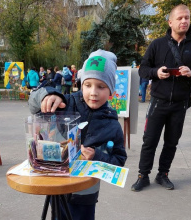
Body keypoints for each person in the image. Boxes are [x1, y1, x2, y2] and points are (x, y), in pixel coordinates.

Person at [29, 49, 127, 220]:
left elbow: (119, 161)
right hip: (57, 186)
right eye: (88, 85)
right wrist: (49, 95)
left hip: (86, 193)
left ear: (111, 90)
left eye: (101, 86)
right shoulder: (66, 103)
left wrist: (97, 155)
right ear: (81, 84)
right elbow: (33, 102)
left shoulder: (113, 125)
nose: (93, 92)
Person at [131, 4, 191, 192]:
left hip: (180, 104)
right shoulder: (157, 44)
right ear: (170, 22)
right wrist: (156, 72)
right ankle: (143, 175)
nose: (184, 21)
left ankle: (163, 174)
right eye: (180, 18)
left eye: (187, 18)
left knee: (171, 142)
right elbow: (143, 69)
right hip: (158, 102)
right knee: (150, 140)